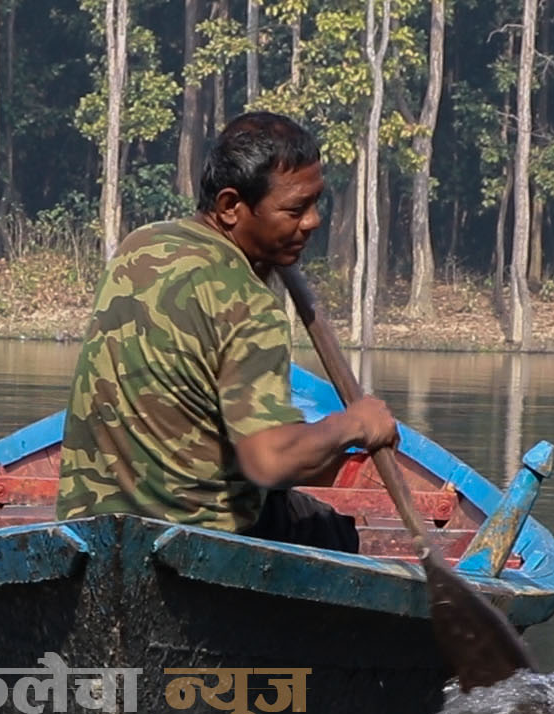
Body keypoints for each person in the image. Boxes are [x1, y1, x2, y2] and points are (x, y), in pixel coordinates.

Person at [55, 112, 398, 553]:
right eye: (295, 210)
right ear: (230, 206)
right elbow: (270, 461)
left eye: (316, 205)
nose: (312, 222)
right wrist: (355, 424)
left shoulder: (141, 245)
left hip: (89, 525)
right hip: (198, 539)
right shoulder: (251, 306)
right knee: (331, 533)